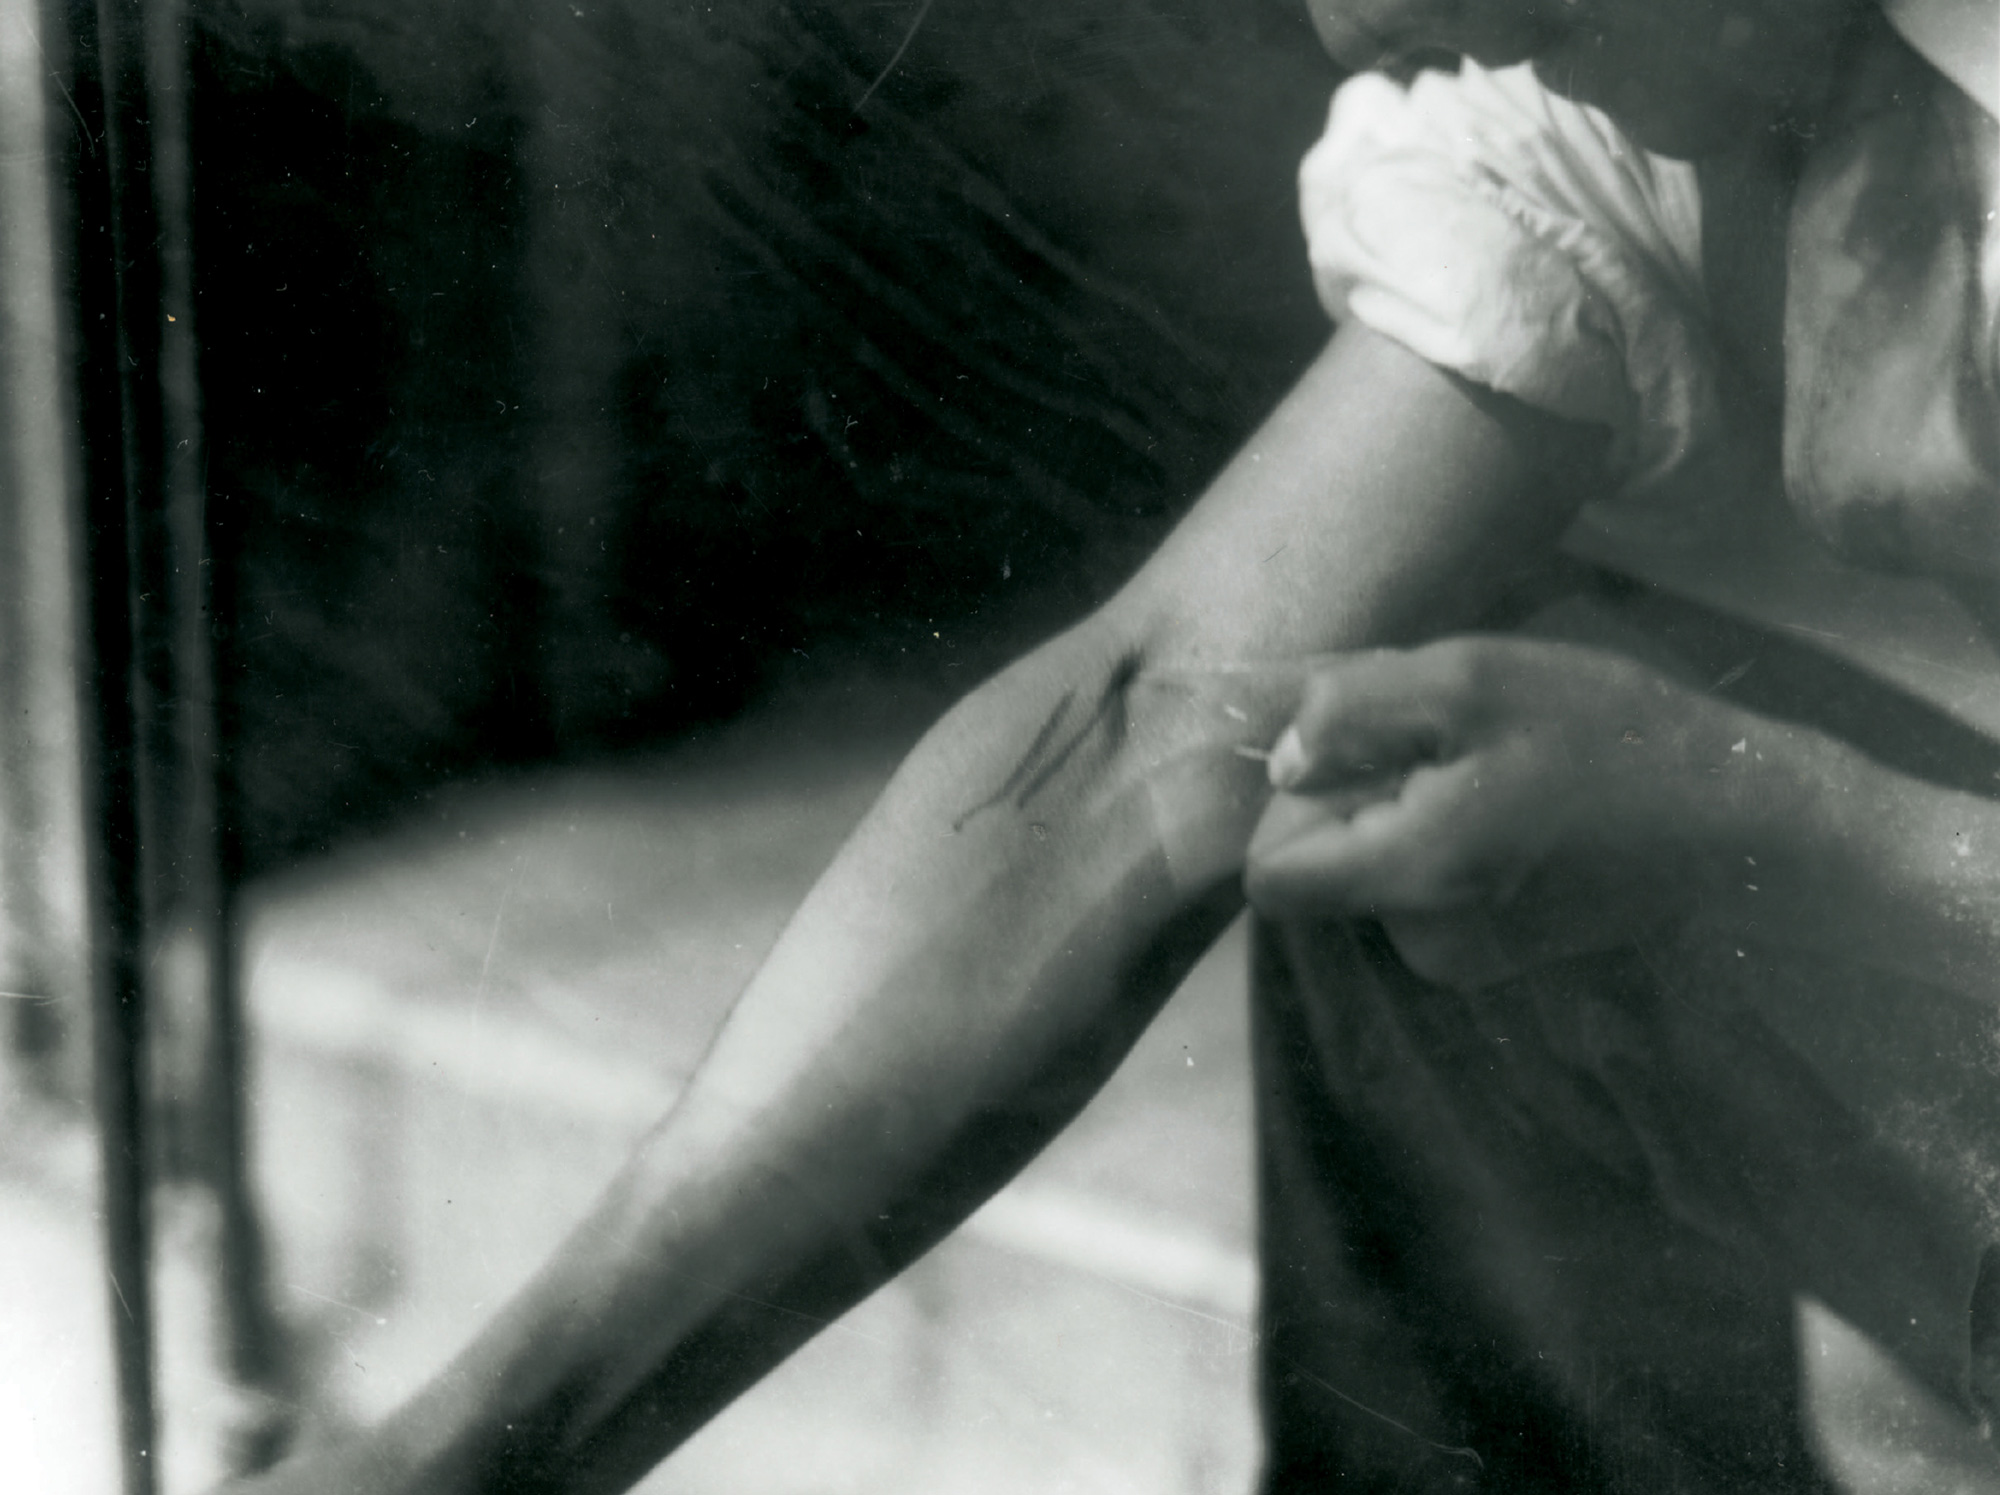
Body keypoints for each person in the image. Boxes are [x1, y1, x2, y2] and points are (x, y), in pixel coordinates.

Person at [227, 0, 2000, 1489]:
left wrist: (1779, 817)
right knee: (1389, 790)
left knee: (1601, 821)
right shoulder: (1676, 105)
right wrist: (463, 1448)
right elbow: (1133, 741)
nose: (1361, 21)